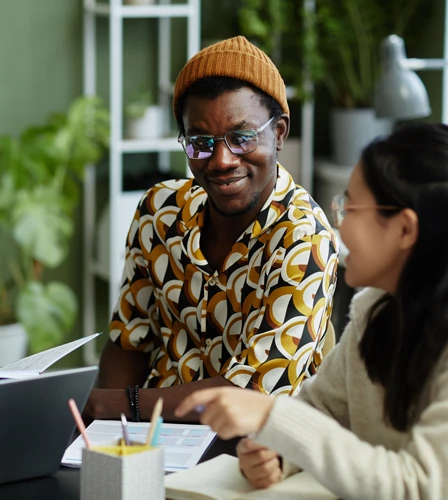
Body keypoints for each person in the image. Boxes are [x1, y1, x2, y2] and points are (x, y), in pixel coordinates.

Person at [176, 122, 448, 499]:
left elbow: (417, 487)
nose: (338, 226)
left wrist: (272, 417)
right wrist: (277, 453)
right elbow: (319, 410)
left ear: (404, 229)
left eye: (350, 208)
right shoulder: (374, 313)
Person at [84, 36, 339, 423]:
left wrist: (121, 405)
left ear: (280, 133)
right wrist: (106, 430)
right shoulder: (160, 212)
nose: (221, 161)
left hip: (256, 451)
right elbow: (129, 341)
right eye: (200, 143)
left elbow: (248, 397)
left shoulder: (305, 238)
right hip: (152, 437)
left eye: (241, 138)